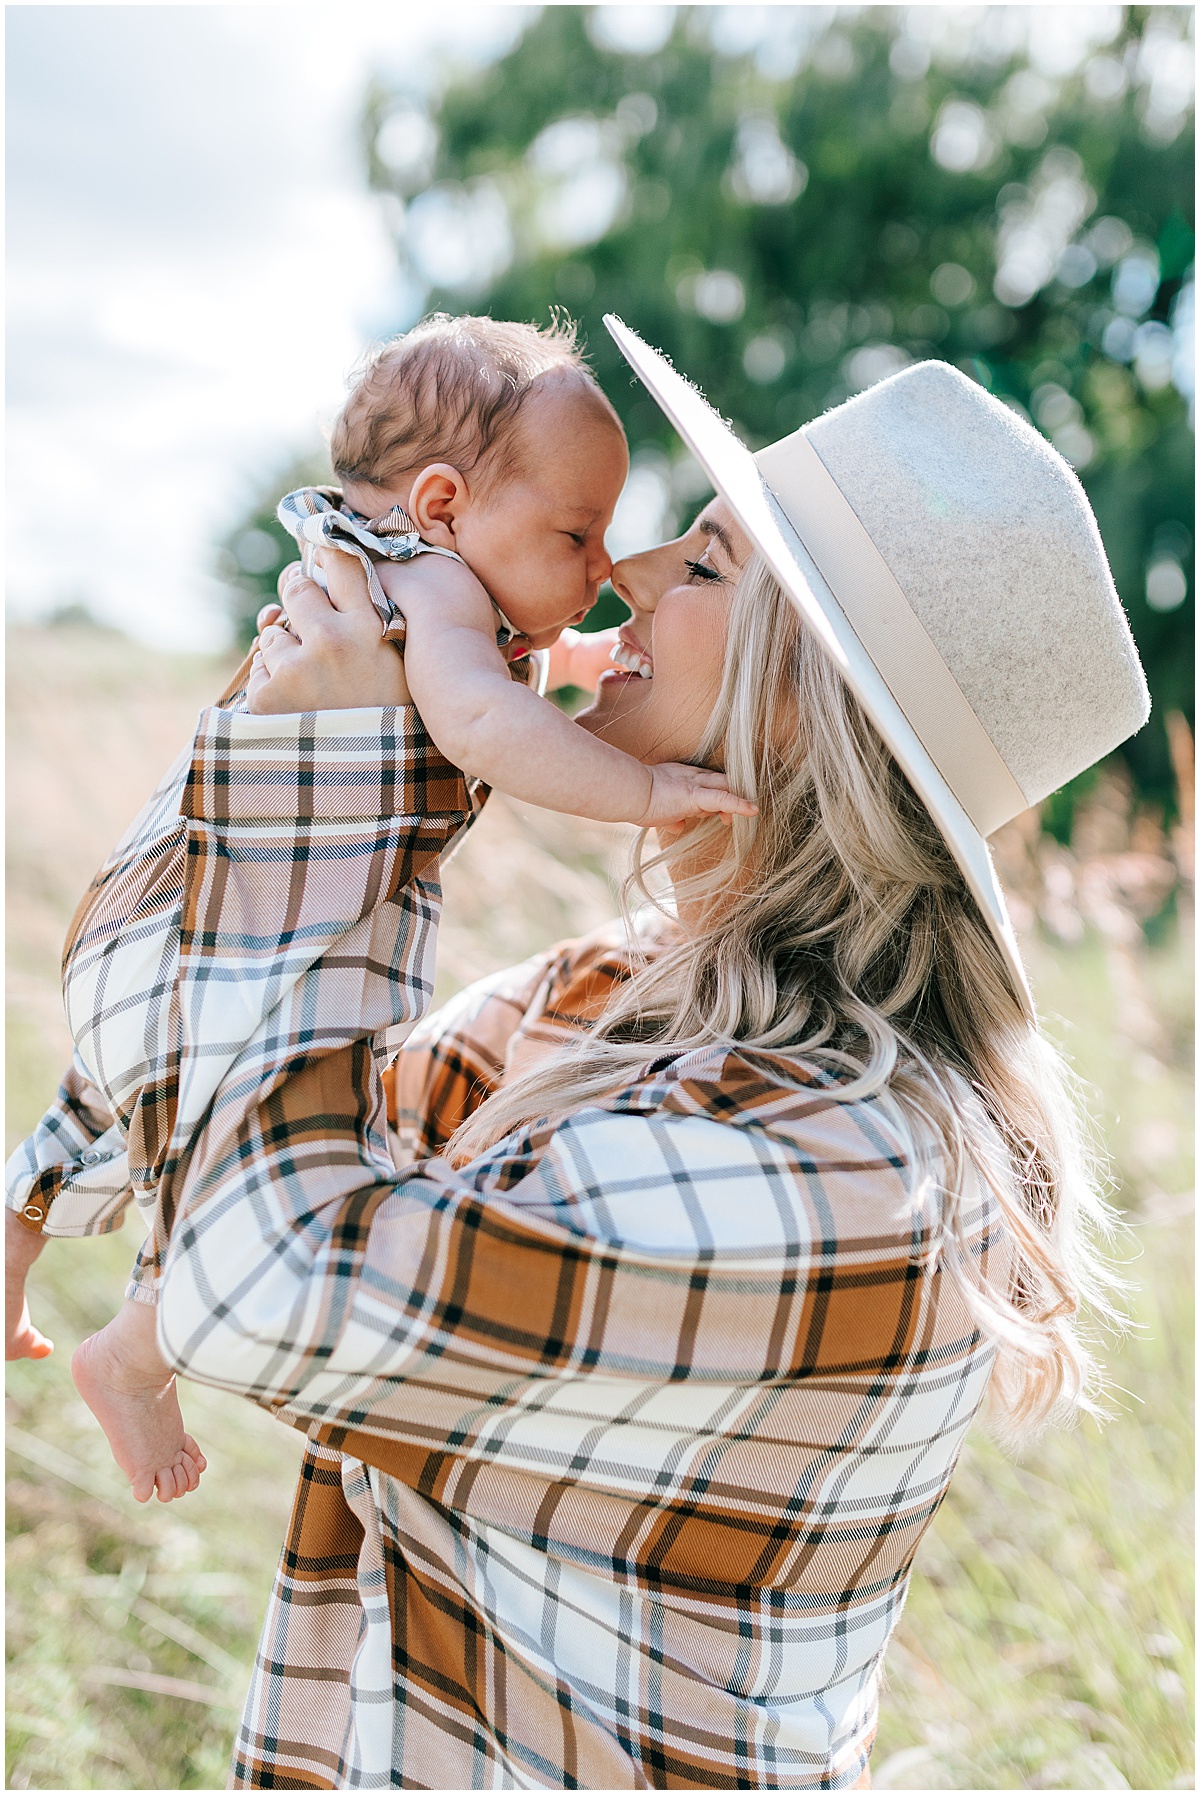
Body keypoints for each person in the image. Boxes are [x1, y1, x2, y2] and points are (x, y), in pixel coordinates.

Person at [6, 322, 1149, 1790]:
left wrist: (346, 785)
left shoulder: (846, 1170)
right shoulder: (607, 1000)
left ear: (807, 708)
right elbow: (205, 1128)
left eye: (712, 562)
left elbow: (254, 1276)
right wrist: (266, 746)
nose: (630, 573)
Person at [9, 313, 754, 1508]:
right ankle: (142, 1346)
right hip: (258, 914)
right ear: (446, 504)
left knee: (160, 1096)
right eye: (578, 531)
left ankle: (24, 1222)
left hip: (170, 912)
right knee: (263, 1116)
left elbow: (519, 674)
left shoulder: (409, 581)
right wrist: (646, 788)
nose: (605, 565)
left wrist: (566, 660)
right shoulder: (436, 597)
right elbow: (483, 725)